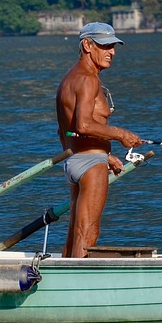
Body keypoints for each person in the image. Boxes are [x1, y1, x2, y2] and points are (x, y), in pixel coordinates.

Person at [56, 22, 143, 258]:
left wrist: (104, 155)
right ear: (87, 45)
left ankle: (61, 278)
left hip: (74, 162)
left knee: (75, 232)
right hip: (90, 166)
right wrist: (121, 134)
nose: (112, 52)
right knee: (88, 233)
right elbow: (83, 125)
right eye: (105, 46)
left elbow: (66, 131)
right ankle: (75, 286)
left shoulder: (68, 79)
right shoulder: (88, 80)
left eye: (113, 46)